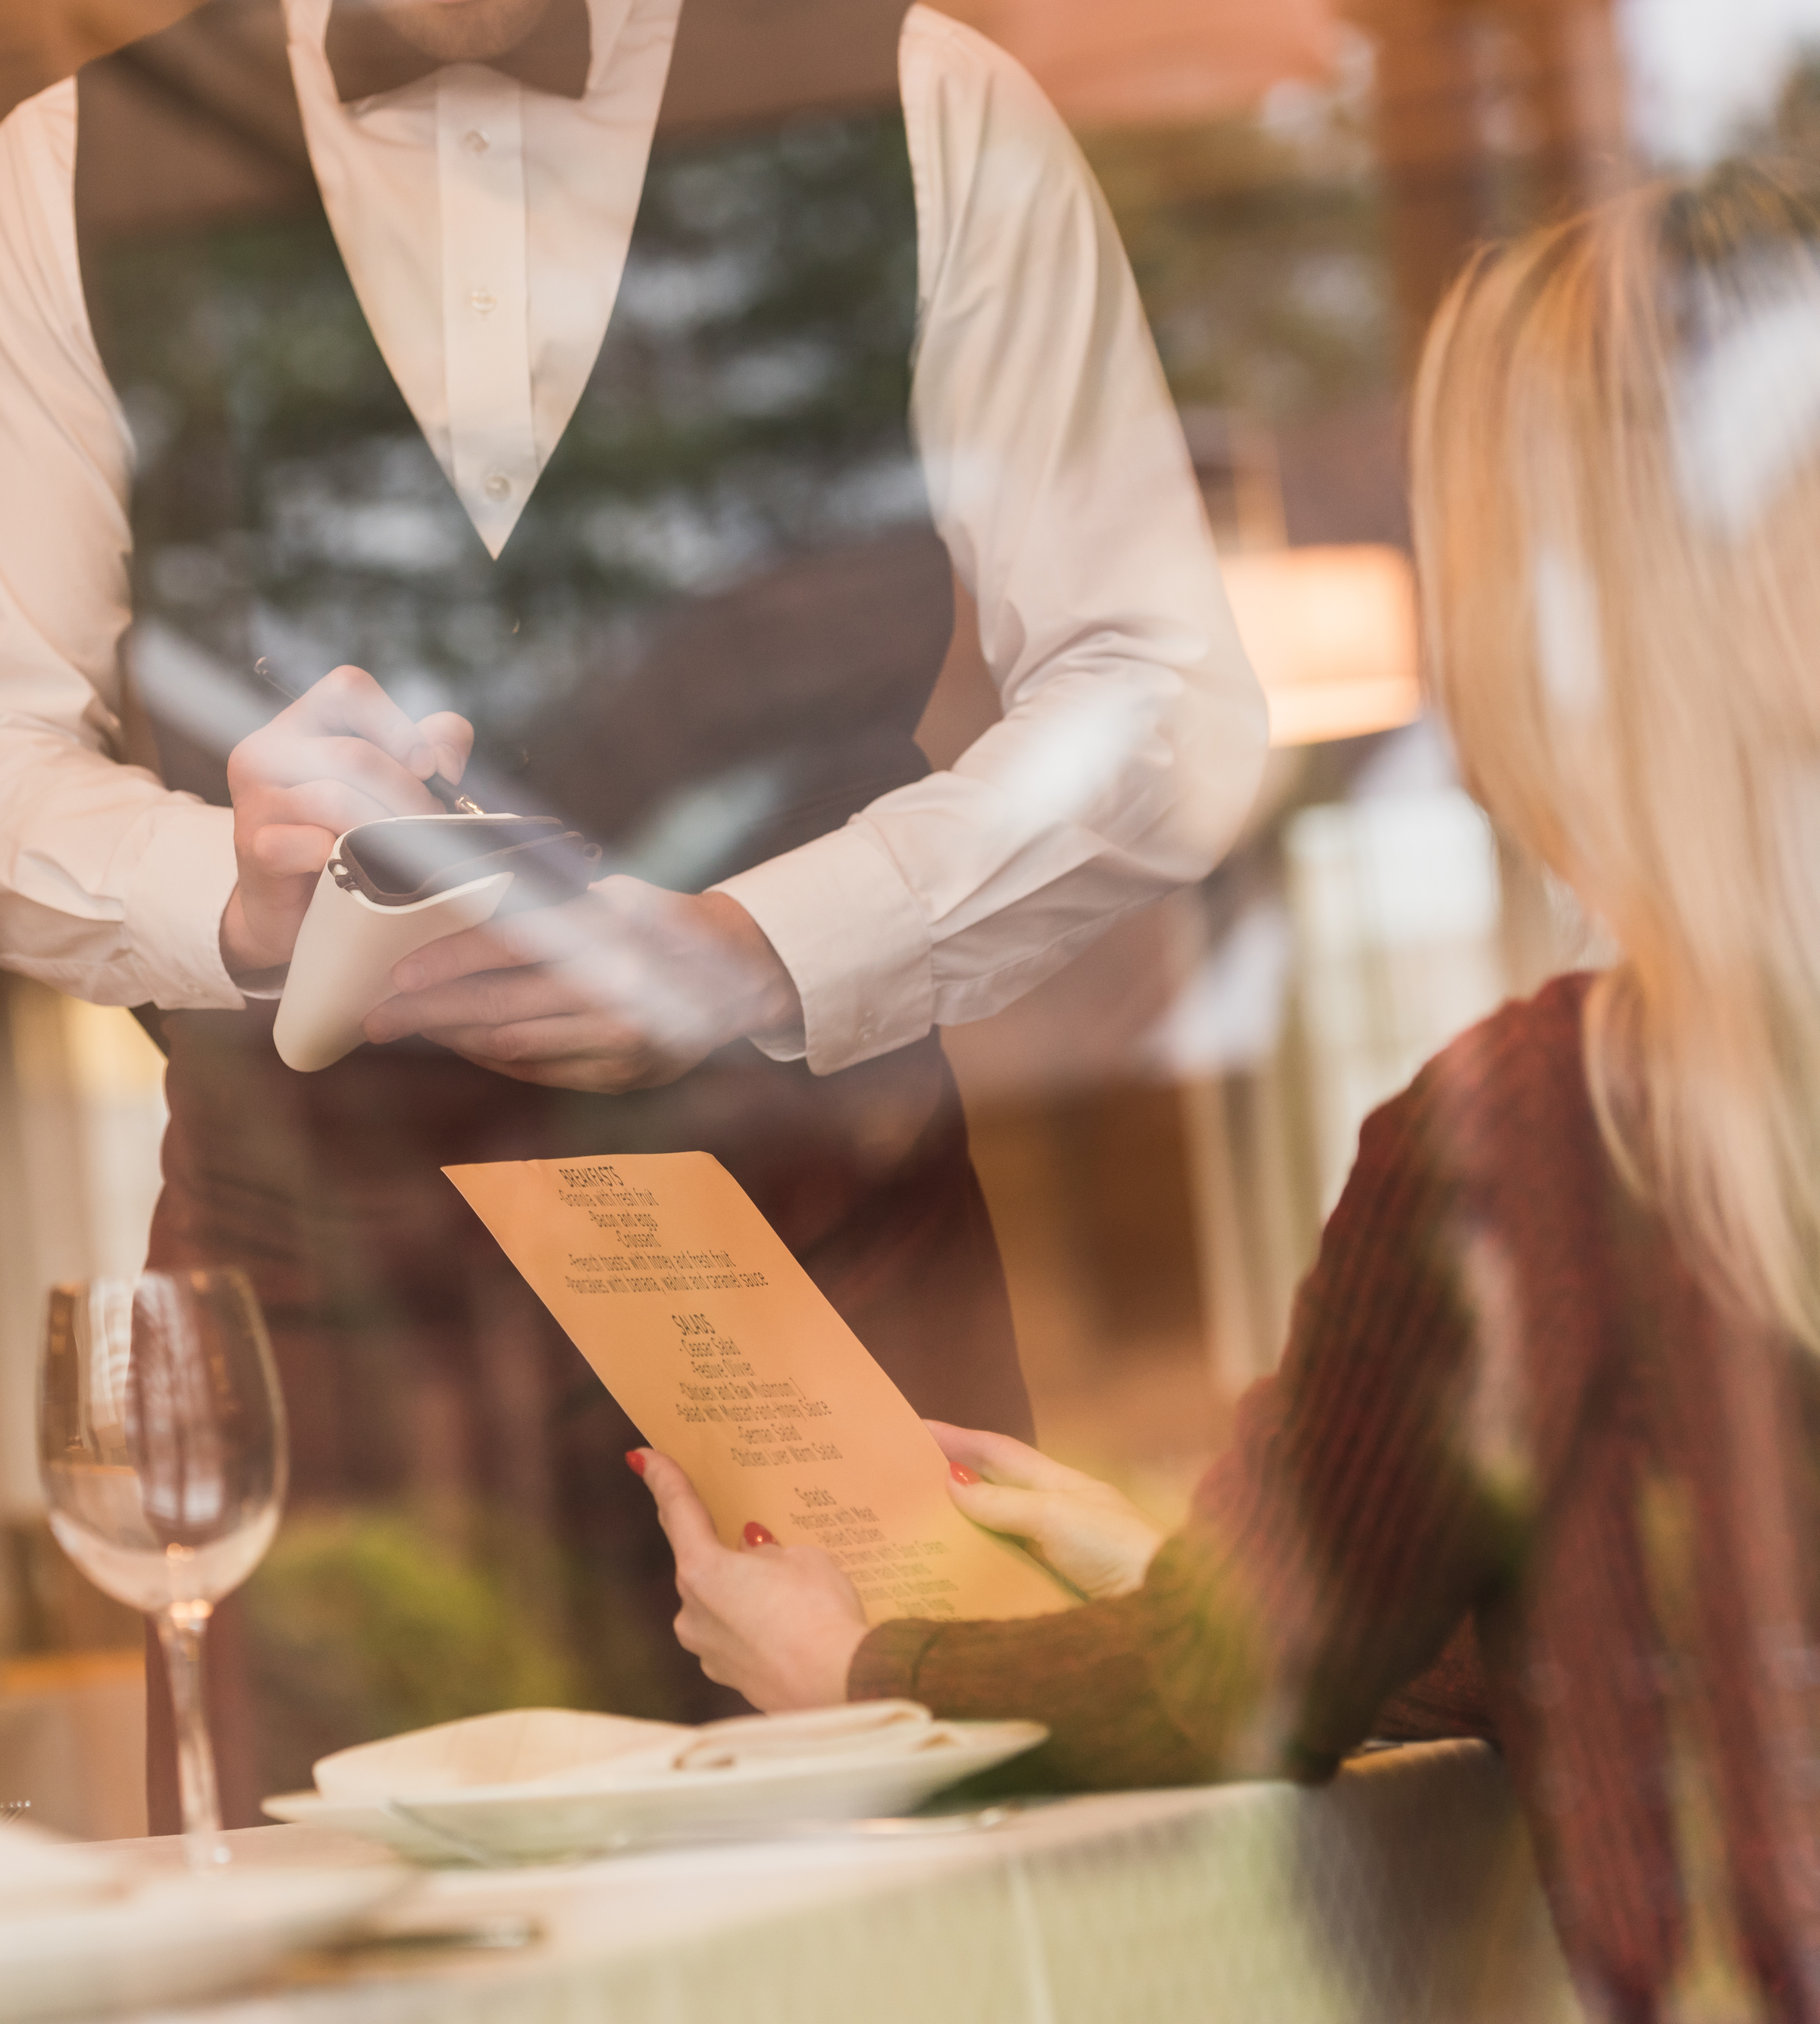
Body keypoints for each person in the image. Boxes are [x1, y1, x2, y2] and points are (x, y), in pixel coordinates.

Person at [0, 0, 1265, 1808]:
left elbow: (1158, 703)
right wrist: (231, 905)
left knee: (911, 1926)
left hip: (817, 1253)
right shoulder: (62, 180)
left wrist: (756, 949)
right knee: (342, 1961)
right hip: (318, 1313)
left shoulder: (925, 104)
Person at [631, 155, 1820, 2017]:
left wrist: (856, 1665)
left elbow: (1222, 1697)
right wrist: (1190, 1566)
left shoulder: (1546, 1129)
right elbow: (1644, 1632)